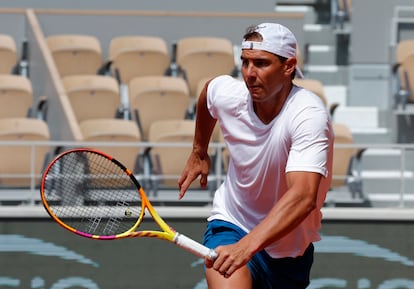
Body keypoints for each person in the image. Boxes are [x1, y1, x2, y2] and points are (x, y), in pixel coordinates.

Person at [178, 22, 334, 289]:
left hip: (288, 249)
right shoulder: (231, 94)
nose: (249, 73)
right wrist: (199, 150)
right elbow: (208, 94)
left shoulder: (308, 115)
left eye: (261, 63)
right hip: (232, 223)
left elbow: (303, 197)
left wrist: (247, 247)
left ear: (288, 66)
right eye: (245, 62)